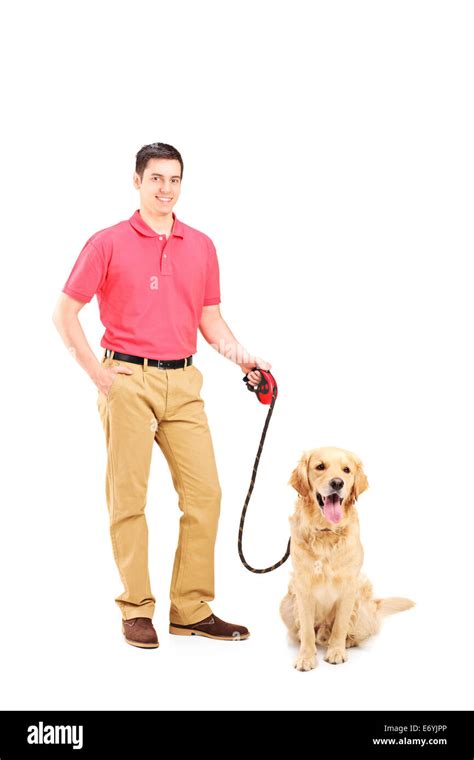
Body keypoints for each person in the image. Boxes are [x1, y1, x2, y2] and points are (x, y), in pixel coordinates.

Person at [52, 142, 271, 649]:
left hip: (184, 383)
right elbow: (65, 313)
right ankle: (136, 608)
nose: (166, 188)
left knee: (206, 495)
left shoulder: (201, 245)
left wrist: (246, 359)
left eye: (174, 179)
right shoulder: (107, 242)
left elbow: (209, 319)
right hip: (126, 380)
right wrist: (98, 376)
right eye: (156, 179)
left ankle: (191, 608)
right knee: (128, 498)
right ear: (137, 181)